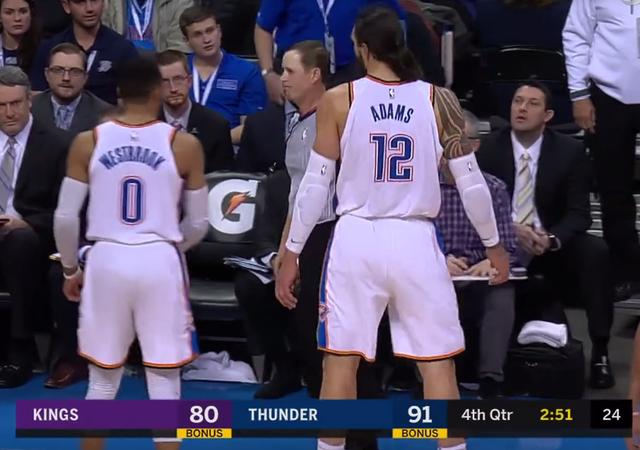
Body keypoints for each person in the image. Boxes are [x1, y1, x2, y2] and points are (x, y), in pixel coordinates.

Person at [276, 7, 509, 450]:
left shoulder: (338, 98)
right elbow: (472, 182)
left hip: (356, 239)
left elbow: (315, 185)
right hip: (414, 238)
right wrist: (493, 245)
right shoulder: (438, 99)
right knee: (438, 367)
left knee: (339, 365)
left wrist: (292, 251)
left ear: (363, 49)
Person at [53, 56, 208, 450]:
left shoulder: (88, 141)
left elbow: (65, 217)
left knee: (102, 381)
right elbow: (199, 223)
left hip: (106, 259)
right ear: (158, 90)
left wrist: (70, 269)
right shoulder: (184, 144)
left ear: (119, 92)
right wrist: (169, 247)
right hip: (159, 259)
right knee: (164, 381)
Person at [476, 80, 615, 389]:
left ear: (548, 115)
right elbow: (475, 207)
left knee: (596, 252)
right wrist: (510, 231)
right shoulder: (489, 149)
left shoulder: (570, 151)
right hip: (503, 242)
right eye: (517, 101)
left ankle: (601, 352)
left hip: (549, 245)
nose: (522, 108)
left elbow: (579, 214)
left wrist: (550, 239)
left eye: (532, 103)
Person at [436, 110, 518, 399]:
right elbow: (406, 241)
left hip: (479, 273)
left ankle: (490, 379)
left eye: (456, 142)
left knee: (501, 292)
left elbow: (508, 246)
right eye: (442, 143)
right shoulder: (421, 189)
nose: (448, 151)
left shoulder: (493, 188)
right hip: (436, 271)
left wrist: (489, 260)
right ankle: (429, 378)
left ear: (475, 146)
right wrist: (438, 260)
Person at [0, 66, 70, 388]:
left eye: (16, 103)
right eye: (1, 105)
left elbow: (64, 210)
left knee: (20, 241)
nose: (9, 112)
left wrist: (24, 222)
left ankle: (21, 349)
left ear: (30, 101)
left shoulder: (55, 145)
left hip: (34, 239)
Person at [563, 0, 640, 284]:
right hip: (608, 96)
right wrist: (579, 94)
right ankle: (625, 271)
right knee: (613, 189)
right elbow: (576, 35)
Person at [254, 0, 406, 104]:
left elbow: (395, 22)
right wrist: (268, 74)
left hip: (349, 72)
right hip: (298, 73)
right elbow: (263, 28)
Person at [179, 6, 266, 145]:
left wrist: (213, 143)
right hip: (180, 147)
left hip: (227, 148)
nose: (206, 39)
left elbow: (250, 127)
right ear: (186, 40)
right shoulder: (177, 71)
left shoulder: (246, 71)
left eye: (210, 30)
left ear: (219, 31)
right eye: (197, 34)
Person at [30, 0, 138, 105]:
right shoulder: (49, 48)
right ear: (66, 6)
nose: (89, 8)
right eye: (80, 2)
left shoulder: (123, 49)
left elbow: (134, 101)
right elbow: (37, 96)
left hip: (107, 115)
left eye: (94, 1)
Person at [157, 49, 234, 173]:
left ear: (189, 81)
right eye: (165, 82)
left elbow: (222, 178)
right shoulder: (147, 125)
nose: (173, 89)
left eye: (178, 79)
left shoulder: (216, 126)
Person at [31, 42, 110, 134]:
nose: (66, 78)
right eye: (58, 70)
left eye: (75, 71)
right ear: (47, 74)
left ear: (85, 77)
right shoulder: (30, 108)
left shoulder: (105, 114)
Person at [101, 0, 193, 52]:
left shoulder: (179, 2)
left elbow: (179, 48)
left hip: (161, 73)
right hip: (119, 71)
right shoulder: (107, 3)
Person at [0, 0, 41, 73]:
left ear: (31, 14)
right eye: (9, 13)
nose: (17, 18)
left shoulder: (44, 49)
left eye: (23, 12)